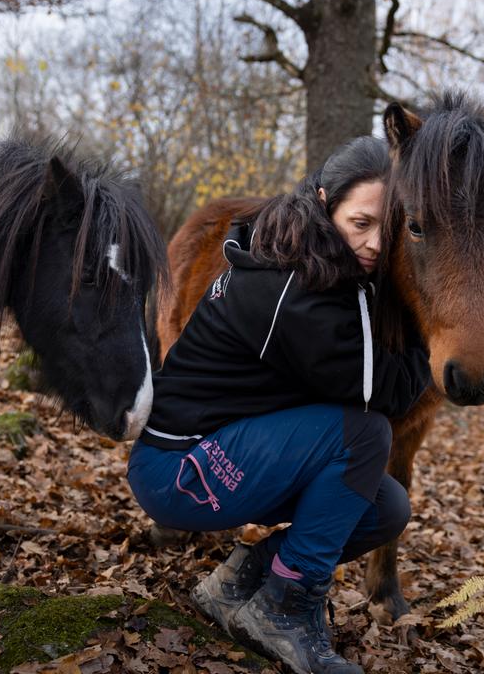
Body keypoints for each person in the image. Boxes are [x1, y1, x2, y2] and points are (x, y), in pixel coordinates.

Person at [127, 136, 432, 674]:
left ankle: (242, 581)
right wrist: (438, 333)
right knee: (365, 435)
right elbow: (388, 392)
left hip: (225, 454)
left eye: (388, 229)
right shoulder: (295, 289)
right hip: (180, 470)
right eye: (361, 223)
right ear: (323, 201)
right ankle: (286, 610)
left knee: (385, 507)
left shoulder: (314, 262)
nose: (376, 244)